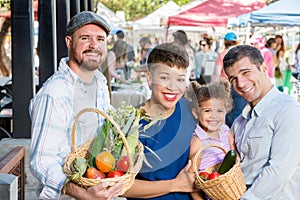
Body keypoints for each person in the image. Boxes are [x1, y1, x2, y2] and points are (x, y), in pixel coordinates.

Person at [29, 11, 124, 199]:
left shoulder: (99, 84)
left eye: (100, 39)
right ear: (68, 42)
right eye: (85, 38)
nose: (94, 45)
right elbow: (41, 161)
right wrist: (84, 195)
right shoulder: (55, 93)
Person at [223, 44, 300, 199]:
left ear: (264, 68)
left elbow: (279, 172)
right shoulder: (239, 122)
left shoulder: (288, 111)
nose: (241, 84)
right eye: (233, 79)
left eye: (246, 73)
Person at [123, 42, 197, 199]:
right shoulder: (132, 123)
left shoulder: (190, 111)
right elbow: (121, 186)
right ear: (149, 79)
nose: (173, 87)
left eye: (180, 79)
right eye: (164, 77)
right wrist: (175, 185)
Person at [186, 79, 235, 199]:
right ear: (196, 112)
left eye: (219, 111)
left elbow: (234, 156)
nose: (214, 116)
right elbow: (191, 180)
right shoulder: (198, 141)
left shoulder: (225, 130)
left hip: (232, 190)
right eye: (207, 111)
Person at [211, 32, 247, 127]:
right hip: (239, 84)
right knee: (239, 112)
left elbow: (216, 73)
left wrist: (212, 87)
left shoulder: (222, 55)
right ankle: (238, 134)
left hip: (225, 86)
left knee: (226, 111)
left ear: (225, 42)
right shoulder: (241, 55)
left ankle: (228, 135)